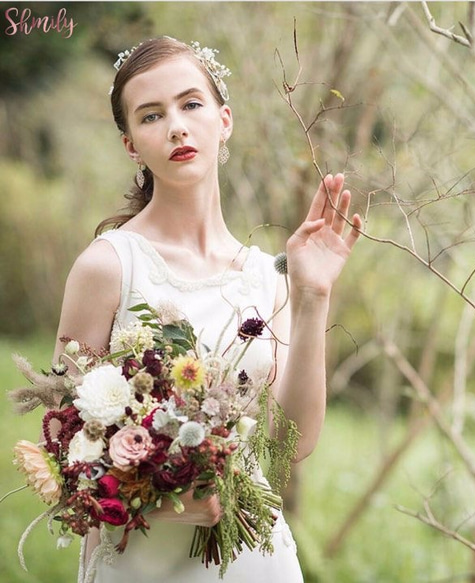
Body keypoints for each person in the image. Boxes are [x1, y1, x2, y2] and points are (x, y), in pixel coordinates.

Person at [53, 36, 361, 583]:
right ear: (131, 145)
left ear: (224, 121)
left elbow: (292, 442)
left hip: (256, 563)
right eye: (151, 115)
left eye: (190, 104)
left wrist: (313, 298)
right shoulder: (107, 267)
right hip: (138, 565)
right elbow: (64, 462)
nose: (176, 126)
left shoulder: (269, 278)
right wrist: (162, 504)